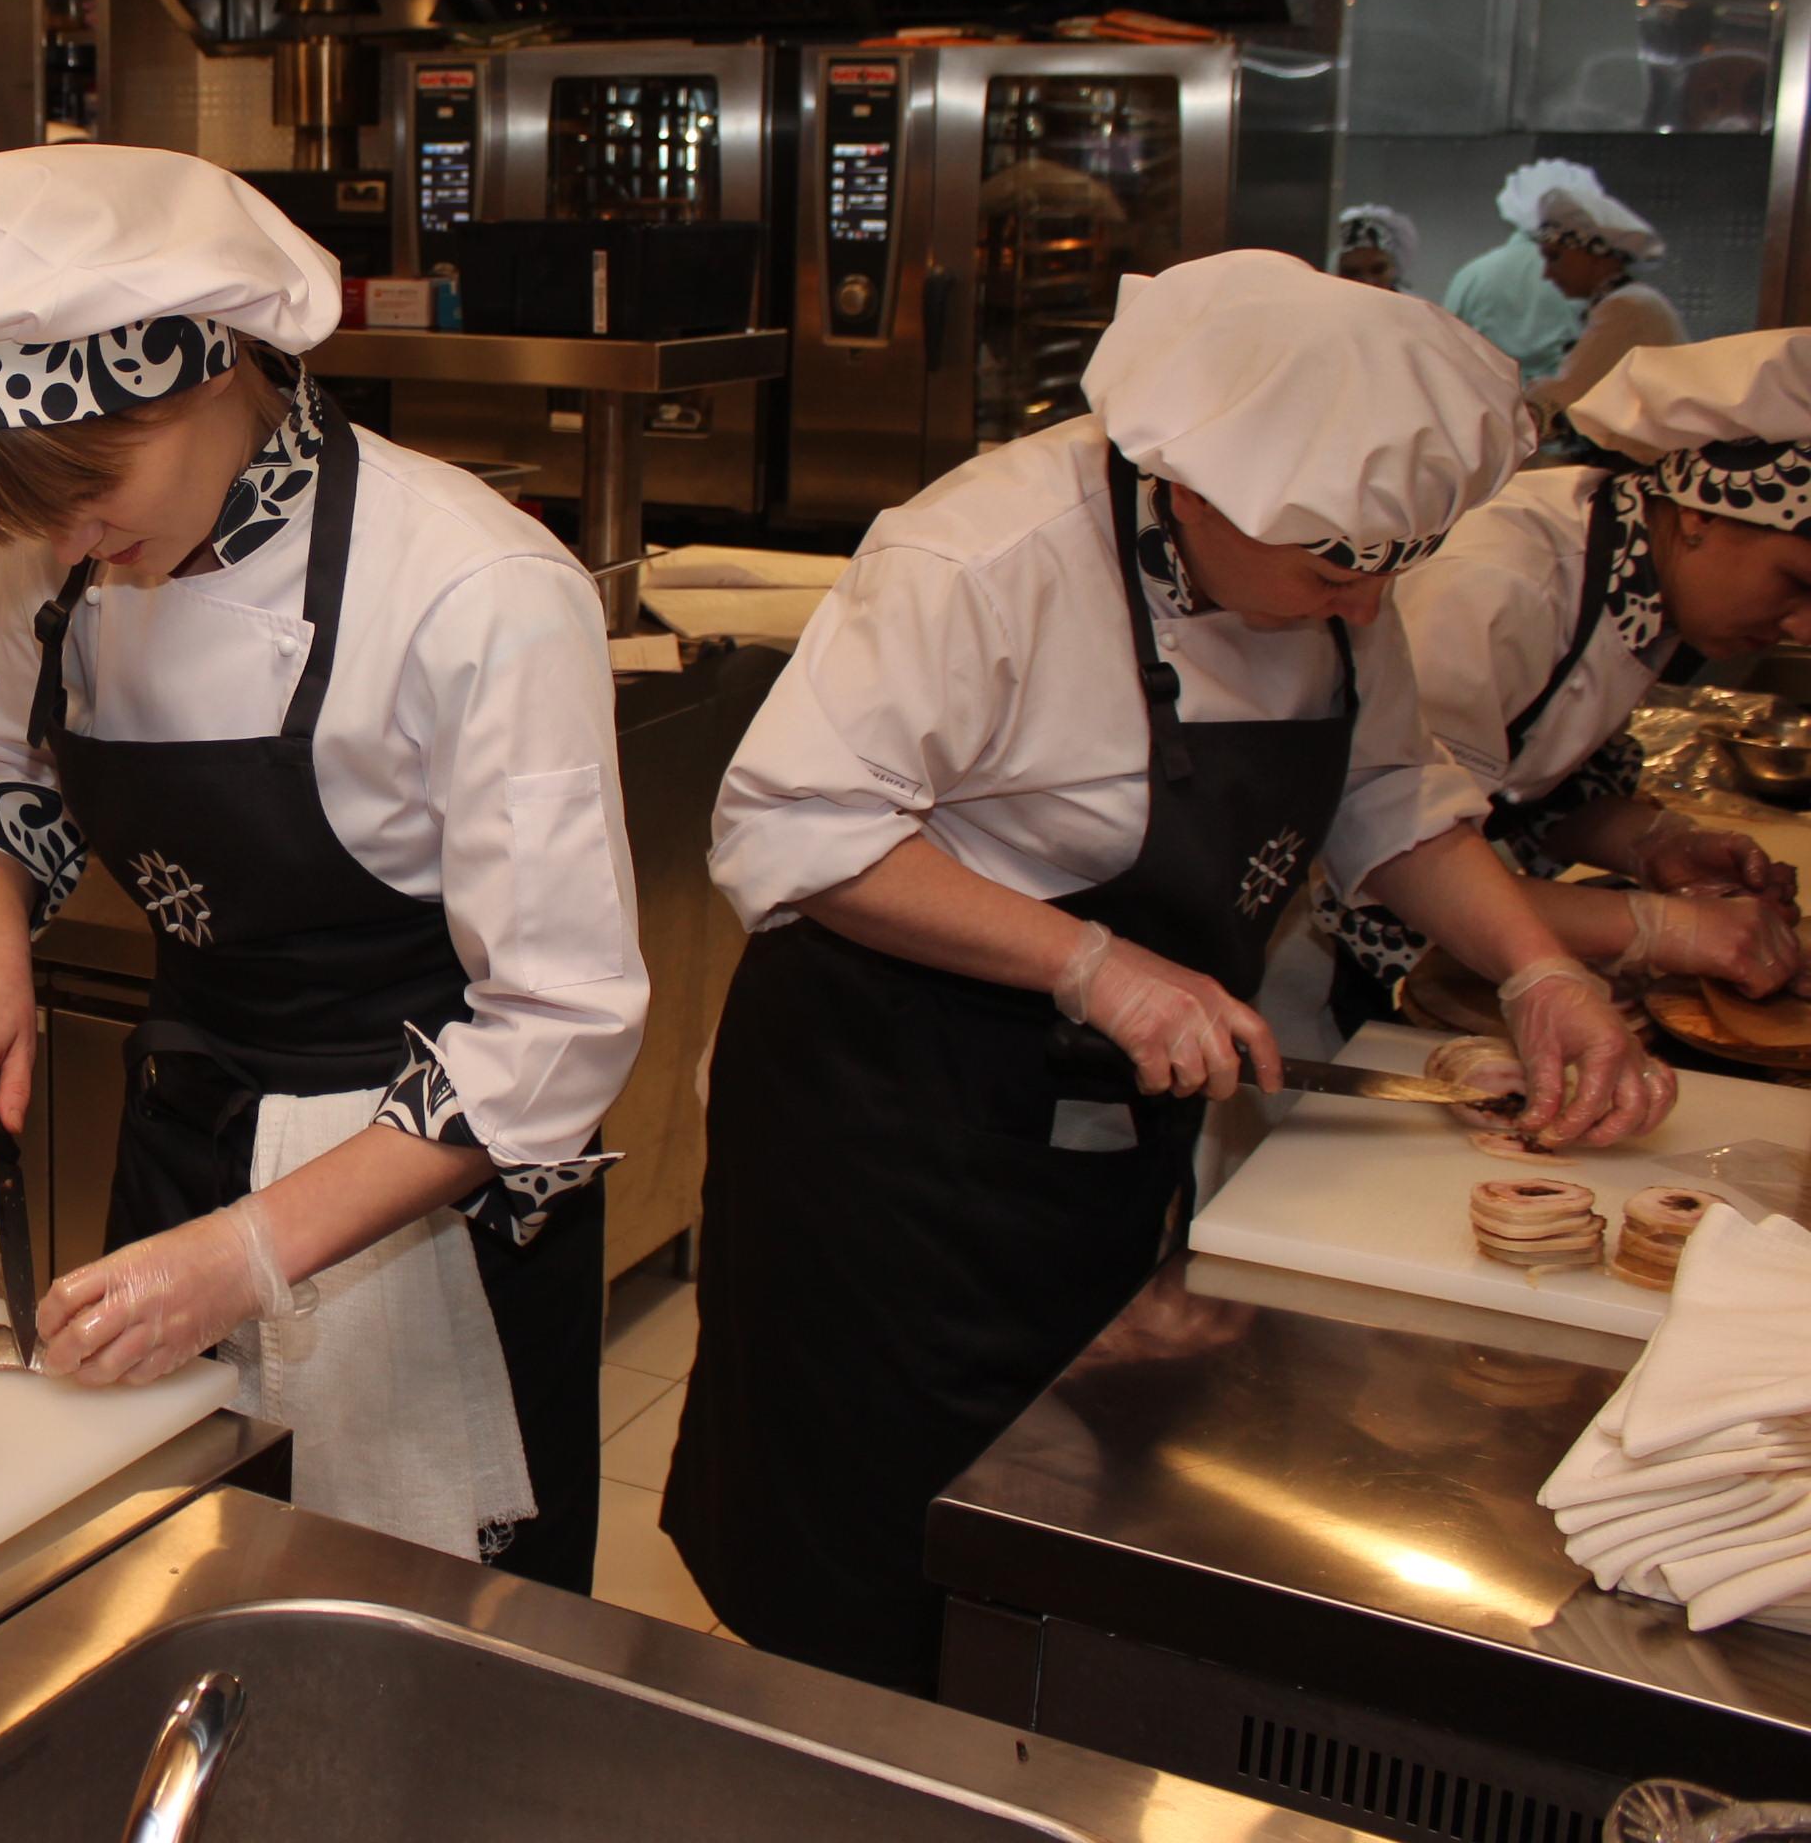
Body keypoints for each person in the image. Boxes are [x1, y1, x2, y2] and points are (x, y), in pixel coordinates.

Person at [667, 250, 1665, 1696]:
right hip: (886, 1114)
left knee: (1069, 1463)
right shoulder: (987, 556)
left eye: (1393, 569)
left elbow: (1387, 794)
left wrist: (1536, 971)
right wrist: (1092, 963)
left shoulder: (1333, 572)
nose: (1368, 610)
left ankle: (1016, 1722)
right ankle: (833, 1738)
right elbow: (793, 827)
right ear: (1197, 492)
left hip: (1099, 1111)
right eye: (1335, 571)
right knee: (867, 1507)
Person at [0, 145, 642, 1590]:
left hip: (422, 1190)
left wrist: (250, 1256)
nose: (67, 542)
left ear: (206, 367)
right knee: (171, 1575)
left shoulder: (474, 589)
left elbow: (561, 1025)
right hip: (186, 1129)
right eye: (28, 516)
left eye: (88, 490)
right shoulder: (52, 545)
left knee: (429, 1630)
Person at [1323, 330, 1811, 1026]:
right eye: (1795, 583)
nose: (1804, 628)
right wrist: (1660, 929)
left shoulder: (1643, 582)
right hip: (1328, 967)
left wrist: (1655, 844)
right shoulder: (1501, 587)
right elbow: (1392, 850)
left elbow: (1531, 794)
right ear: (1702, 512)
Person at [1522, 179, 1684, 428]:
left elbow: (1567, 395)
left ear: (1594, 253)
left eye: (1554, 257)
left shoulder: (1626, 307)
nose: (1547, 274)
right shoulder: (1633, 300)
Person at [1444, 156, 1602, 379]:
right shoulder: (1586, 277)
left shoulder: (1472, 276)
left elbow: (1445, 349)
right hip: (1569, 397)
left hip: (1486, 395)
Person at [1329, 202, 1424, 295]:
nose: (1367, 283)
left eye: (1378, 270)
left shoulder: (1414, 305)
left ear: (1394, 268)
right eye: (1351, 273)